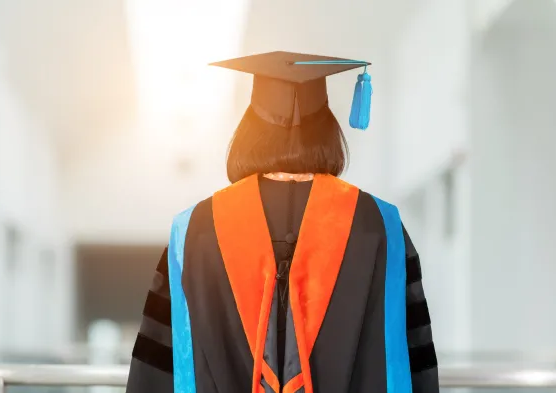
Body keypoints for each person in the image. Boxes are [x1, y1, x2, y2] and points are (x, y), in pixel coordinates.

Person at [125, 51, 439, 393]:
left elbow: (156, 370)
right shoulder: (379, 225)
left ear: (249, 130)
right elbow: (412, 360)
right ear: (328, 129)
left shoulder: (194, 230)